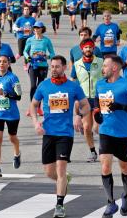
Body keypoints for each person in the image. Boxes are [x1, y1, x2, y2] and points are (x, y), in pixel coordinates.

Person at [29, 55, 90, 218]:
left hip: (65, 133)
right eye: (52, 67)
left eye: (57, 66)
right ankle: (63, 182)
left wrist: (78, 115)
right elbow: (34, 105)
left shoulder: (73, 87)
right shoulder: (44, 85)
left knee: (61, 169)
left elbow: (86, 104)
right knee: (49, 172)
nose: (53, 69)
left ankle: (59, 205)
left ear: (64, 68)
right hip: (48, 133)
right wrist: (36, 122)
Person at [92, 55, 127, 217]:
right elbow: (97, 102)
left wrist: (121, 106)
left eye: (105, 66)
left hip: (124, 133)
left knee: (124, 166)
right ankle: (110, 202)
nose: (103, 69)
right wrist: (97, 115)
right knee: (105, 166)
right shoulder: (100, 84)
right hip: (106, 131)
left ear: (114, 68)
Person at [0, 55, 22, 178]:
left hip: (11, 114)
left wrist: (6, 94)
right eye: (0, 62)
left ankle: (17, 154)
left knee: (12, 138)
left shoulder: (13, 78)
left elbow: (18, 96)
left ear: (8, 64)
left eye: (4, 62)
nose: (2, 63)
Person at [71, 39, 103, 162]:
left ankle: (106, 148)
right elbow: (74, 82)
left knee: (97, 128)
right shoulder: (77, 64)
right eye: (86, 48)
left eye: (90, 47)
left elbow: (108, 77)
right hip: (83, 99)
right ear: (82, 49)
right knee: (86, 128)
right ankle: (93, 152)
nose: (88, 49)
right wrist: (75, 99)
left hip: (97, 99)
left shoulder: (100, 62)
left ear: (93, 48)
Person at [24, 21, 55, 116]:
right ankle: (31, 107)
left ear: (42, 29)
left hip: (43, 66)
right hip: (33, 65)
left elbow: (53, 53)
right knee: (33, 86)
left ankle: (38, 108)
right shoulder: (30, 40)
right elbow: (25, 51)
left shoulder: (46, 40)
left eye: (38, 28)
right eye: (35, 28)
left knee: (40, 87)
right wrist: (28, 58)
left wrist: (47, 56)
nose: (36, 29)